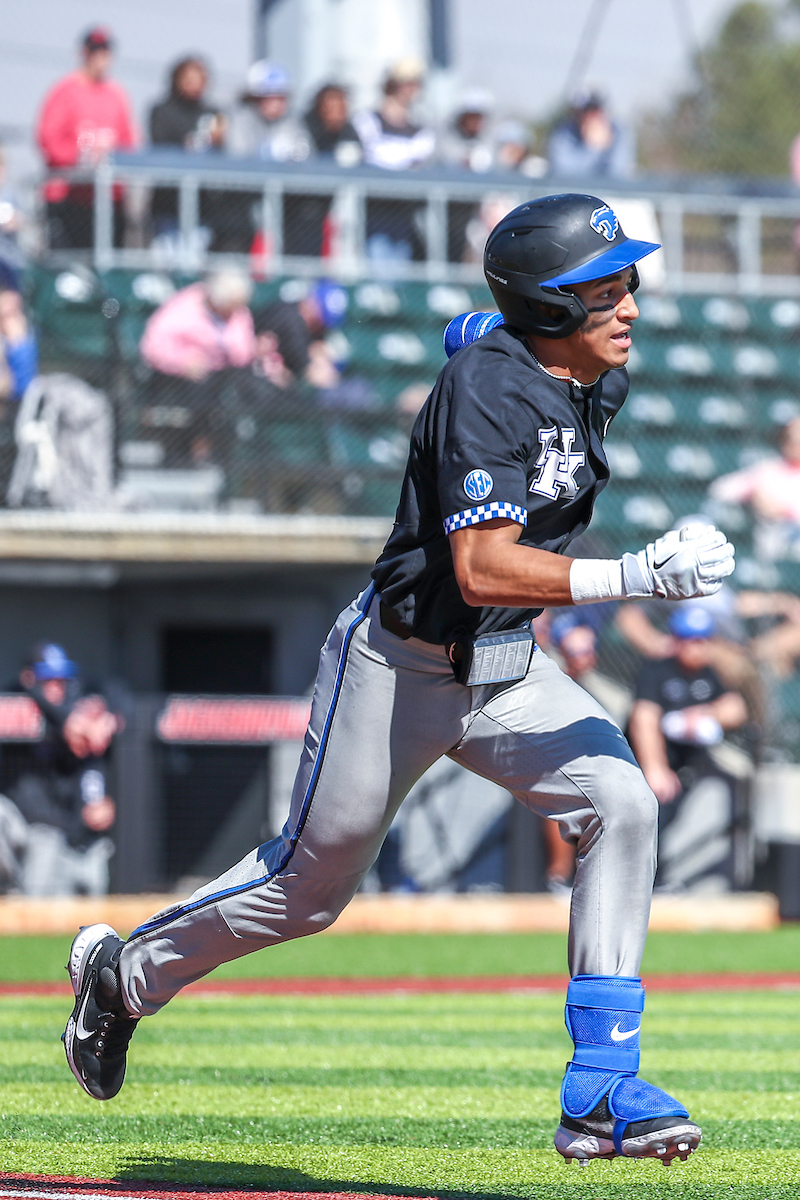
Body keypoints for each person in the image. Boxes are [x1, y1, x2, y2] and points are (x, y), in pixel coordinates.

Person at [62, 193, 735, 1170]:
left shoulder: (579, 371)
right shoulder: (491, 390)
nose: (627, 300)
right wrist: (631, 577)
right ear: (548, 308)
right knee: (307, 892)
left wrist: (498, 322)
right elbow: (480, 568)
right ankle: (124, 976)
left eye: (625, 279)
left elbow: (477, 326)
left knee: (619, 803)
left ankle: (598, 1089)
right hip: (400, 664)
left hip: (505, 671)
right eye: (601, 286)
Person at [627, 606, 748, 887]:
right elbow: (644, 719)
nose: (697, 647)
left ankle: (663, 877)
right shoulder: (657, 670)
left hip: (689, 766)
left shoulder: (708, 674)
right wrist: (655, 768)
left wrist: (704, 714)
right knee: (651, 818)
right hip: (654, 765)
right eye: (690, 639)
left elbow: (736, 709)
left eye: (703, 639)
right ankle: (645, 881)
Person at [6, 642, 118, 895]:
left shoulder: (83, 712)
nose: (57, 687)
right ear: (30, 678)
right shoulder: (17, 704)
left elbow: (117, 698)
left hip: (73, 837)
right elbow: (17, 693)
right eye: (48, 680)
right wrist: (68, 718)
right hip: (27, 834)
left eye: (61, 679)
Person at [36, 27, 138, 250]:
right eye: (94, 51)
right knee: (69, 266)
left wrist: (109, 156)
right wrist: (82, 154)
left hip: (107, 197)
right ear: (84, 53)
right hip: (69, 197)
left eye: (105, 51)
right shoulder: (65, 90)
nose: (100, 58)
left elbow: (128, 142)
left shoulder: (116, 94)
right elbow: (49, 140)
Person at [353, 59, 435, 268]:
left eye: (416, 83)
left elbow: (420, 163)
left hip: (404, 213)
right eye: (407, 82)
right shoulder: (367, 121)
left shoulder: (420, 129)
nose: (412, 89)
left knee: (399, 266)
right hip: (372, 211)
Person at [148, 56, 227, 244]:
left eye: (199, 80)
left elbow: (221, 149)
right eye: (188, 79)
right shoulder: (161, 111)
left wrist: (217, 139)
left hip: (202, 205)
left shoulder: (214, 112)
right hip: (168, 202)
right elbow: (161, 144)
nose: (194, 85)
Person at [709, 416, 800, 561]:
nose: (796, 444)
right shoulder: (770, 470)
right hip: (769, 544)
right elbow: (719, 489)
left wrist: (784, 510)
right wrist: (753, 493)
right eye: (792, 438)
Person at [548, 91, 633, 181]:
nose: (589, 116)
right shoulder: (563, 132)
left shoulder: (618, 131)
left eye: (594, 110)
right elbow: (561, 172)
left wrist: (602, 145)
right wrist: (591, 148)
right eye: (584, 111)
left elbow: (617, 174)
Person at [304, 83, 362, 167]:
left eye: (340, 110)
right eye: (331, 109)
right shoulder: (305, 130)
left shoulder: (349, 133)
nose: (336, 115)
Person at [0, 289, 38, 403]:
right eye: (5, 316)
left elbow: (22, 390)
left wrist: (17, 345)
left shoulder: (22, 345)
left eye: (15, 314)